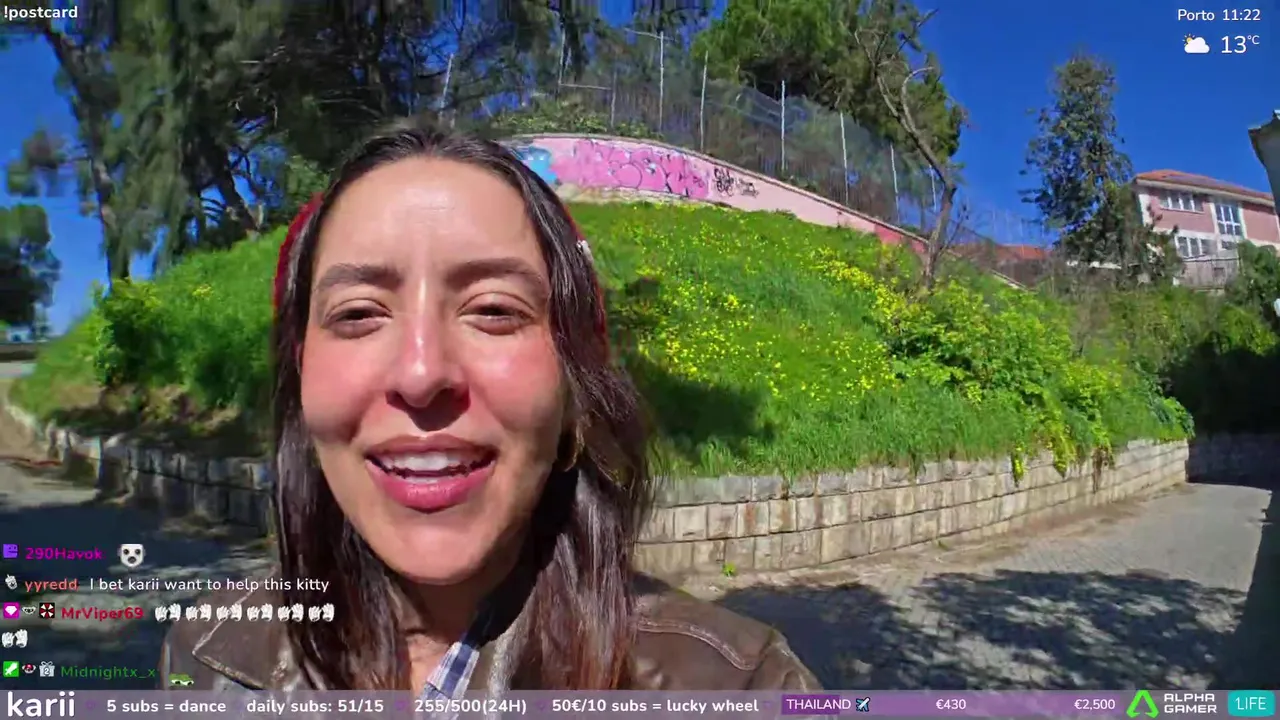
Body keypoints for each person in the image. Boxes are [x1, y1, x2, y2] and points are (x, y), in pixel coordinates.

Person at [157, 118, 819, 693]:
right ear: (303, 380)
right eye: (358, 314)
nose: (421, 374)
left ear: (574, 397)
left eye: (495, 310)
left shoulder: (747, 686)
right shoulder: (212, 655)